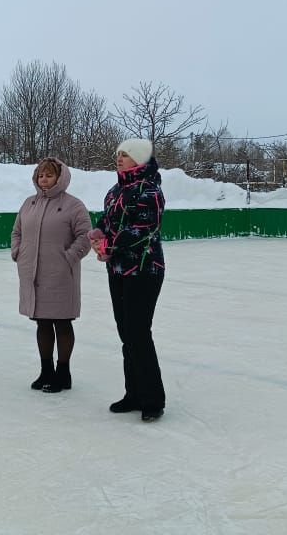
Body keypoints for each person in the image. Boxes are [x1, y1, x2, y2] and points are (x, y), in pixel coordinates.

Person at [89, 138, 167, 423]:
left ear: (140, 159)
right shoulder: (115, 190)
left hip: (145, 270)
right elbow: (107, 220)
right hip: (119, 270)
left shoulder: (150, 190)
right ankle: (133, 393)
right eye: (118, 154)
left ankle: (153, 399)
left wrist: (109, 244)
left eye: (125, 154)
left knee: (138, 332)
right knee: (126, 332)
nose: (119, 158)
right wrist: (98, 235)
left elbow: (143, 229)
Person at [11, 157, 93, 394]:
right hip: (32, 273)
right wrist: (18, 251)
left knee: (62, 322)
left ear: (60, 177)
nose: (44, 179)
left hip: (60, 275)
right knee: (42, 322)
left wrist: (67, 258)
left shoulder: (73, 205)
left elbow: (85, 236)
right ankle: (45, 370)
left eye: (49, 175)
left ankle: (63, 372)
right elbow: (17, 231)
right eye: (40, 175)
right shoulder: (29, 204)